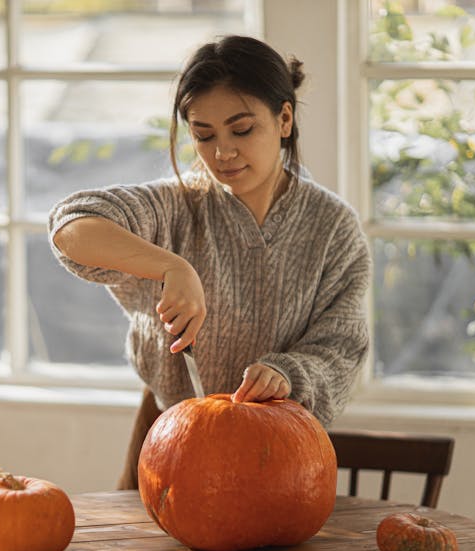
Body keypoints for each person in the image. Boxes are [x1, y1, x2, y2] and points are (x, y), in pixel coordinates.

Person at [48, 35, 370, 489]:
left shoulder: (333, 227)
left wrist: (286, 374)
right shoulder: (174, 208)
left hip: (283, 451)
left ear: (284, 118)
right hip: (171, 437)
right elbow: (71, 226)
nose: (223, 153)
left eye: (241, 130)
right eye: (204, 135)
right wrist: (171, 266)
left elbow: (341, 347)